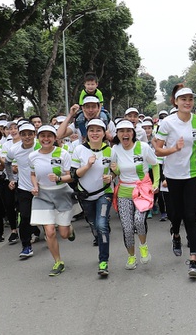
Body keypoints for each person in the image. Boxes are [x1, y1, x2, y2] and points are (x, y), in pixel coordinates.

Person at [153, 85, 196, 278]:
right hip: (173, 176)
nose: (187, 102)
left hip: (193, 174)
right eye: (183, 99)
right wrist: (174, 149)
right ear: (175, 101)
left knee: (190, 216)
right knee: (175, 215)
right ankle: (175, 234)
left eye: (190, 99)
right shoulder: (167, 123)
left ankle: (193, 261)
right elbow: (158, 150)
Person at [111, 120, 159, 271]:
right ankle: (131, 256)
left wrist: (155, 183)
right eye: (121, 131)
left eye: (128, 131)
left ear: (133, 133)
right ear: (117, 134)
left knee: (139, 220)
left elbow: (155, 164)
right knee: (127, 227)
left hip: (142, 190)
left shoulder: (143, 147)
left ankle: (143, 246)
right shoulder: (115, 149)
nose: (125, 134)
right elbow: (116, 172)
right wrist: (114, 172)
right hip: (124, 192)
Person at [29, 125, 75, 276]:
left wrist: (59, 179)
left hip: (61, 194)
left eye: (50, 136)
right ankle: (58, 261)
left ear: (55, 138)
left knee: (63, 234)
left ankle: (69, 229)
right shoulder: (33, 156)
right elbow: (33, 174)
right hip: (42, 195)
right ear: (38, 138)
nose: (46, 139)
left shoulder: (63, 153)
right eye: (43, 136)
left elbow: (71, 176)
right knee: (49, 231)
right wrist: (35, 186)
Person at [71, 118, 114, 276]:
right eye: (91, 130)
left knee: (102, 225)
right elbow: (73, 174)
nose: (95, 133)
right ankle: (96, 232)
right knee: (93, 223)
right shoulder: (79, 150)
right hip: (85, 195)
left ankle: (103, 261)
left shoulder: (111, 150)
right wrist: (87, 166)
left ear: (104, 133)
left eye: (98, 130)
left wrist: (112, 176)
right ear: (87, 133)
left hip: (104, 193)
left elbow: (115, 171)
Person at [6, 122, 40, 258]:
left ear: (34, 134)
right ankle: (26, 246)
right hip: (24, 188)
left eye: (30, 134)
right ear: (19, 135)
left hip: (44, 188)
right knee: (25, 217)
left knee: (49, 218)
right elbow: (7, 163)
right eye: (24, 134)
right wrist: (11, 178)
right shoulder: (14, 149)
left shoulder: (41, 145)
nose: (27, 137)